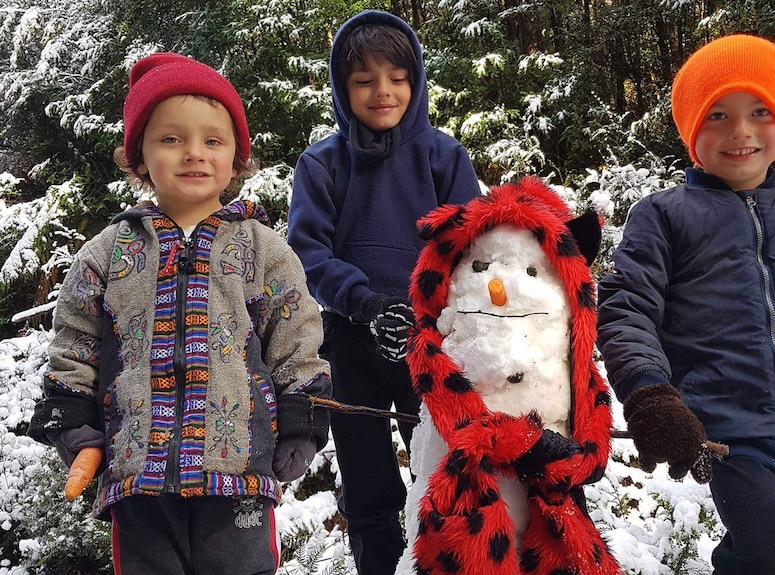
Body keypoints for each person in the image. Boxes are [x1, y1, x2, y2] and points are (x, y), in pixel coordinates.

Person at [27, 52, 332, 575]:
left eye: (213, 141)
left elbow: (296, 339)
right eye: (171, 139)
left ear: (237, 156)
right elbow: (73, 348)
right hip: (137, 476)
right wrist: (77, 431)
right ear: (139, 156)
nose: (194, 153)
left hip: (238, 473)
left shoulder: (265, 251)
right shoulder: (106, 254)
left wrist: (303, 423)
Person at [596, 34, 775, 575]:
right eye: (717, 114)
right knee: (765, 557)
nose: (740, 132)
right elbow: (627, 308)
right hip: (729, 429)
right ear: (693, 129)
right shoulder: (665, 215)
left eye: (759, 111)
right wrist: (650, 396)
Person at [286, 10, 481, 575]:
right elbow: (308, 254)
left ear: (416, 80)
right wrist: (365, 303)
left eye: (397, 76)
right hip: (352, 343)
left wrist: (440, 310)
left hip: (433, 343)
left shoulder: (444, 156)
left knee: (445, 478)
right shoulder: (322, 163)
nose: (383, 91)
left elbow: (469, 243)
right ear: (342, 88)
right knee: (370, 492)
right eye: (364, 79)